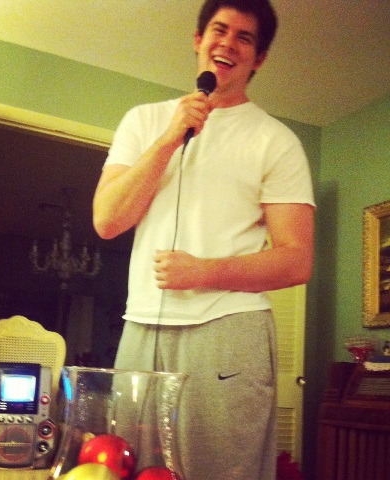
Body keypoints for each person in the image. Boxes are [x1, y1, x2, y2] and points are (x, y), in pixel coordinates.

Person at [93, 0, 315, 479]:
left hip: (228, 329)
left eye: (244, 37)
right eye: (220, 30)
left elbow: (297, 261)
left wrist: (203, 271)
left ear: (259, 58)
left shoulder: (277, 141)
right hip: (141, 324)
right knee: (128, 466)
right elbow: (107, 220)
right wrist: (170, 138)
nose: (228, 44)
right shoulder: (143, 121)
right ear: (199, 40)